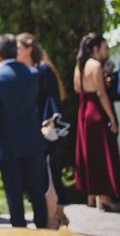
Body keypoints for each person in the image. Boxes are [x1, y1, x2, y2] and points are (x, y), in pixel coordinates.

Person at [0, 34, 47, 228]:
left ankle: (19, 231)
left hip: (8, 144)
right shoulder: (33, 74)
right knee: (37, 192)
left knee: (14, 193)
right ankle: (43, 230)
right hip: (33, 140)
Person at [17, 33, 69, 228]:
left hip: (43, 133)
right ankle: (53, 220)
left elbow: (52, 101)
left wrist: (48, 126)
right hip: (31, 134)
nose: (16, 52)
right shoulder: (27, 71)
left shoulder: (43, 70)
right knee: (39, 178)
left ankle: (51, 223)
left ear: (29, 49)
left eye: (19, 48)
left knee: (47, 176)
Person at [74, 33, 120, 211]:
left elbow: (78, 88)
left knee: (90, 154)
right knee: (103, 154)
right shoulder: (95, 65)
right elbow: (101, 93)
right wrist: (111, 119)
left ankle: (92, 195)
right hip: (97, 113)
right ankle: (105, 196)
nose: (106, 50)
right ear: (95, 48)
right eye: (104, 47)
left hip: (84, 112)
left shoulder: (80, 65)